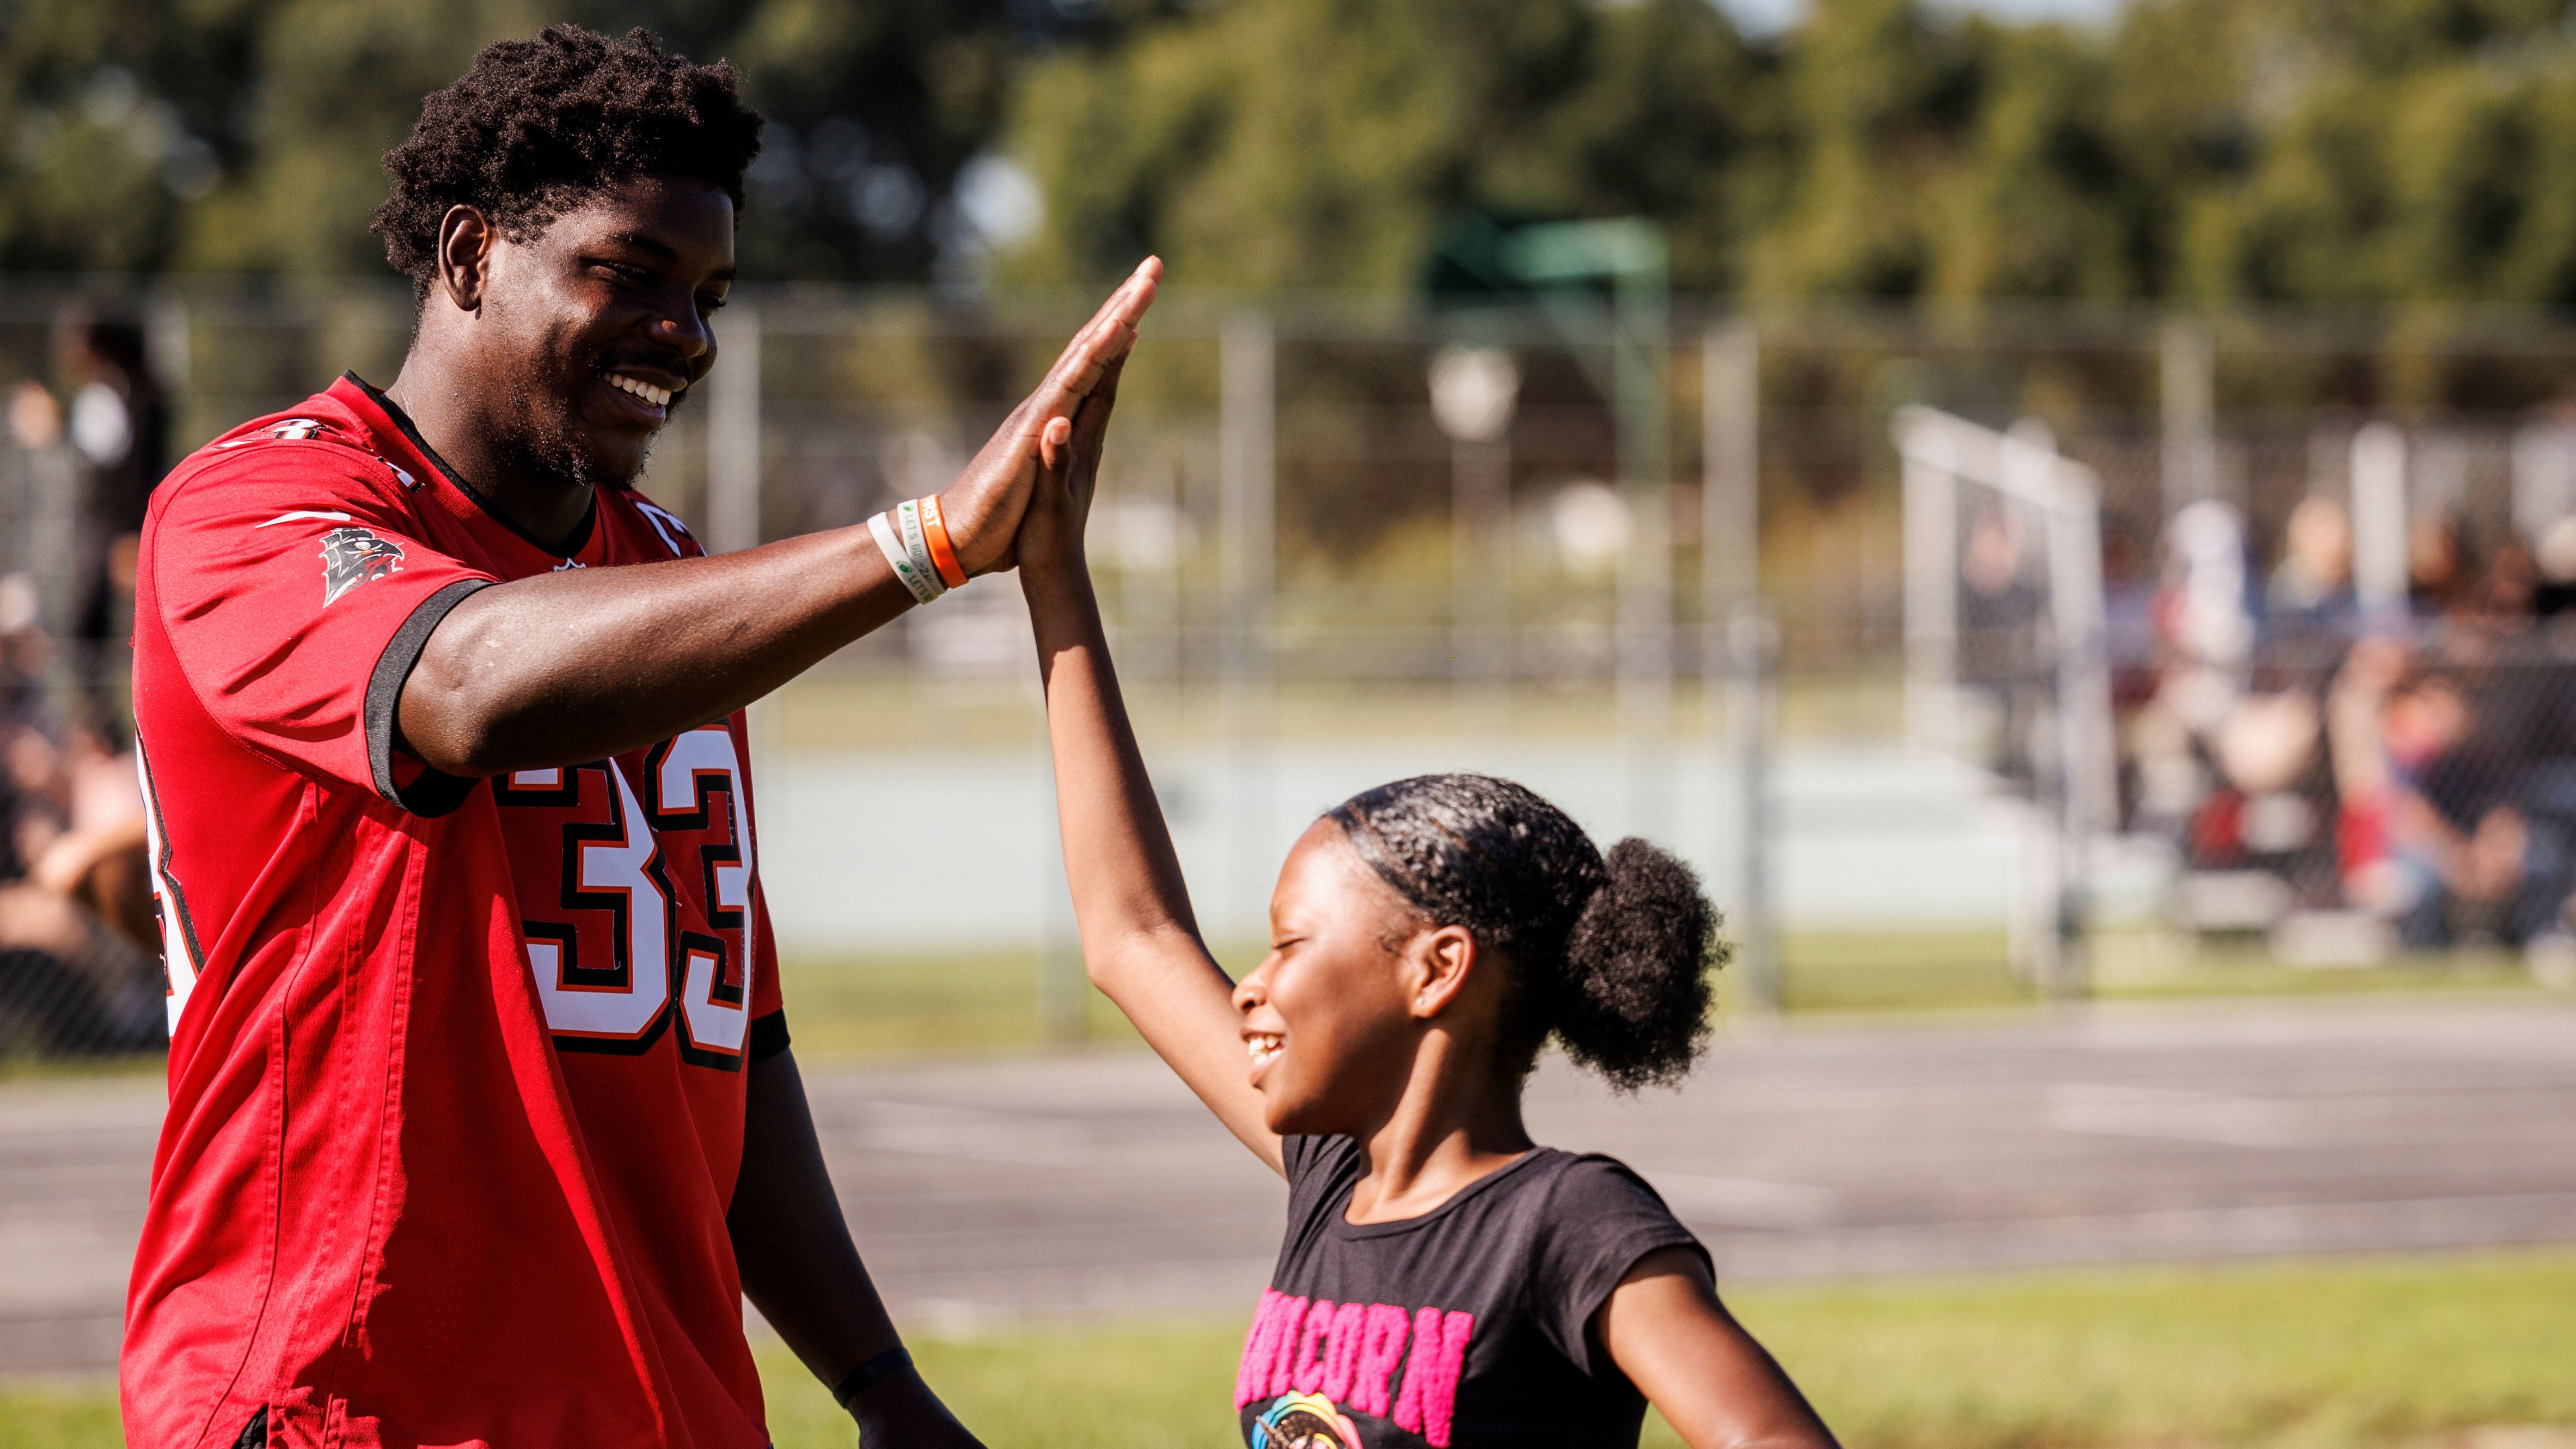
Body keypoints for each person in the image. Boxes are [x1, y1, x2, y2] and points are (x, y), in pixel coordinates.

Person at [123, 25, 1158, 1449]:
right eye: (631, 273)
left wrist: (877, 1383)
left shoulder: (666, 575)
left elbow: (732, 1032)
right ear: (474, 255)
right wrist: (918, 547)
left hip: (661, 1403)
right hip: (353, 1400)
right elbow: (464, 686)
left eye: (710, 292)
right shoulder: (253, 509)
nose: (687, 334)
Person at [1012, 349, 1835, 1447]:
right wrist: (1051, 569)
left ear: (1434, 968)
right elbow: (1132, 931)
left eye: (1289, 945)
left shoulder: (1566, 1221)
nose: (1250, 987)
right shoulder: (1327, 1177)